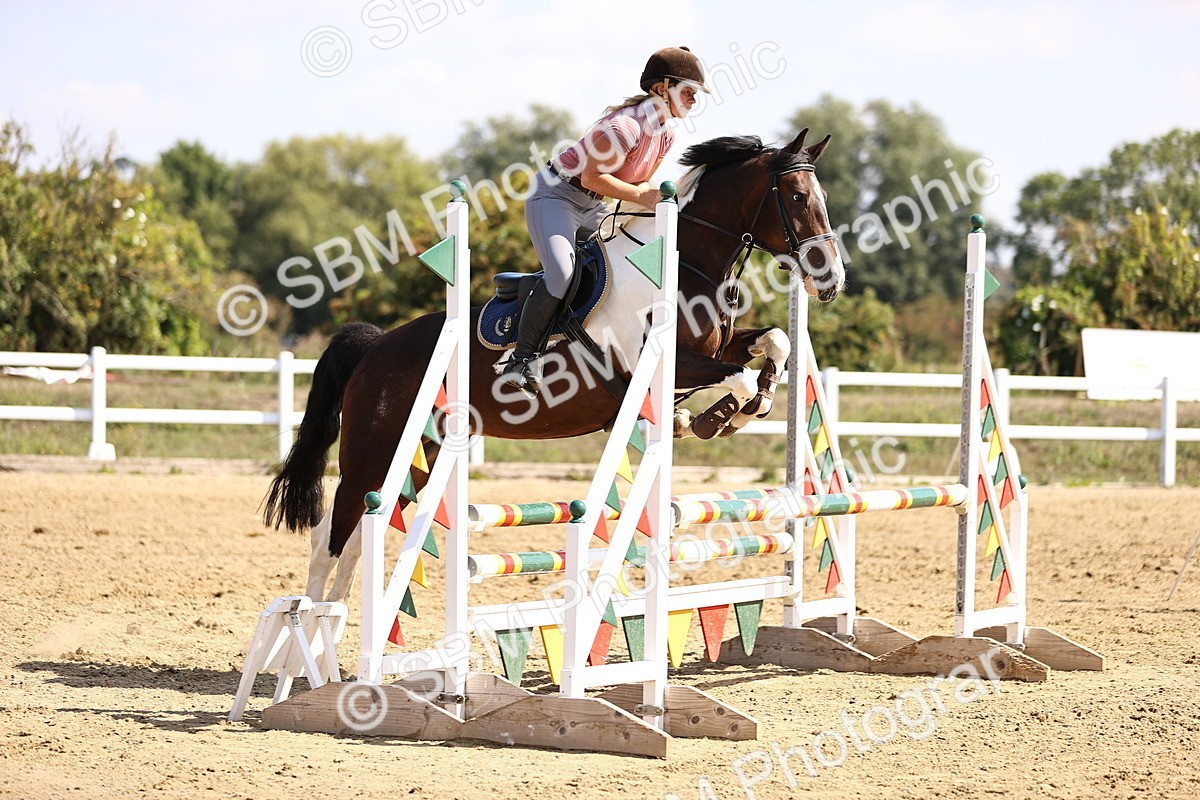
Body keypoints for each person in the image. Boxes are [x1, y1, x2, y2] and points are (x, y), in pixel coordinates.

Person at [500, 45, 709, 395]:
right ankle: (521, 360)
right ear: (662, 88)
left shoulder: (666, 134)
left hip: (594, 205)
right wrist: (643, 196)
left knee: (616, 268)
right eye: (688, 91)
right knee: (563, 272)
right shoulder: (624, 127)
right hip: (555, 195)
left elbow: (639, 183)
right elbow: (592, 178)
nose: (694, 99)